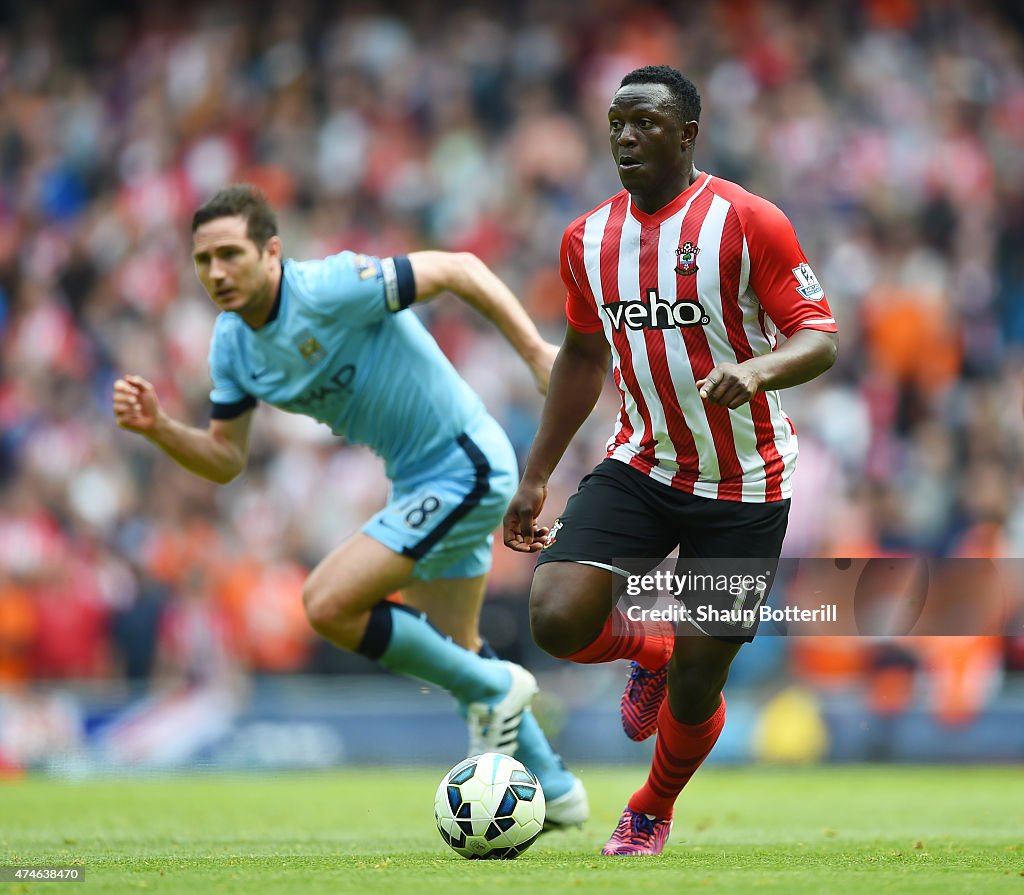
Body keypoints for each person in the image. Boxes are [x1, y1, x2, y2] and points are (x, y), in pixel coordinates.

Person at [112, 184, 588, 826]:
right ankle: (555, 789)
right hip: (419, 482)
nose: (217, 272)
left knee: (327, 603)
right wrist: (159, 427)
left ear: (271, 252)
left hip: (465, 463)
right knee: (455, 646)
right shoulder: (232, 346)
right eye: (204, 261)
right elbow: (225, 459)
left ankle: (495, 691)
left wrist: (535, 355)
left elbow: (459, 269)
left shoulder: (331, 287)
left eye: (231, 254)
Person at [503, 65, 838, 856]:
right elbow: (582, 358)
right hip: (643, 463)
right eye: (617, 121)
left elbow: (819, 336)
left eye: (646, 122)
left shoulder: (749, 221)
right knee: (555, 615)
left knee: (700, 683)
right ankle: (650, 648)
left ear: (687, 134)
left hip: (747, 483)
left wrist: (754, 371)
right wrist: (536, 471)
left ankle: (651, 806)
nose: (625, 135)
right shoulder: (586, 239)